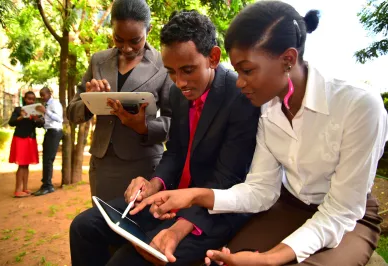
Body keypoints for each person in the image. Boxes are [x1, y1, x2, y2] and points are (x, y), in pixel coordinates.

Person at [131, 2, 388, 266]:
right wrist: (195, 195)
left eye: (247, 70)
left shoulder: (358, 106)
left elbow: (341, 210)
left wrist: (271, 258)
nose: (239, 82)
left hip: (347, 218)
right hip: (288, 205)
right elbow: (261, 189)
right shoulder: (267, 108)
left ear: (287, 59)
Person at [69, 10, 260, 266]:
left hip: (210, 212)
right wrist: (155, 183)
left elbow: (227, 179)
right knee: (83, 227)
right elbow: (175, 152)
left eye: (188, 70)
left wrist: (178, 226)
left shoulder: (240, 97)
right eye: (171, 72)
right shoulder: (180, 95)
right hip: (169, 199)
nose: (179, 83)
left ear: (213, 58)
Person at [66, 0, 173, 202]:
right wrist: (89, 102)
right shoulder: (98, 60)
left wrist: (144, 127)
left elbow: (174, 121)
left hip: (143, 164)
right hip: (103, 163)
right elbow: (72, 111)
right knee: (103, 225)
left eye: (135, 40)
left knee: (137, 227)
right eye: (118, 39)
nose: (126, 48)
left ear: (148, 30)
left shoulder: (164, 64)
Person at [8, 91, 44, 198]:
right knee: (21, 164)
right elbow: (11, 122)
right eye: (29, 99)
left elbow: (40, 125)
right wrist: (21, 117)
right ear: (25, 99)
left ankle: (25, 188)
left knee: (26, 165)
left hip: (30, 139)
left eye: (33, 99)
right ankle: (18, 190)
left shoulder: (35, 111)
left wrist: (37, 119)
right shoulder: (18, 110)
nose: (31, 101)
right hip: (20, 139)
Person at [32, 87, 63, 196]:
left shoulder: (55, 103)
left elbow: (59, 119)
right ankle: (45, 184)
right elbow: (47, 121)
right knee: (46, 159)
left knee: (48, 159)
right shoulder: (46, 105)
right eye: (41, 95)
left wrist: (45, 112)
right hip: (49, 131)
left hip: (55, 132)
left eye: (43, 95)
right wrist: (39, 119)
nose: (42, 97)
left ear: (49, 93)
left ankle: (48, 186)